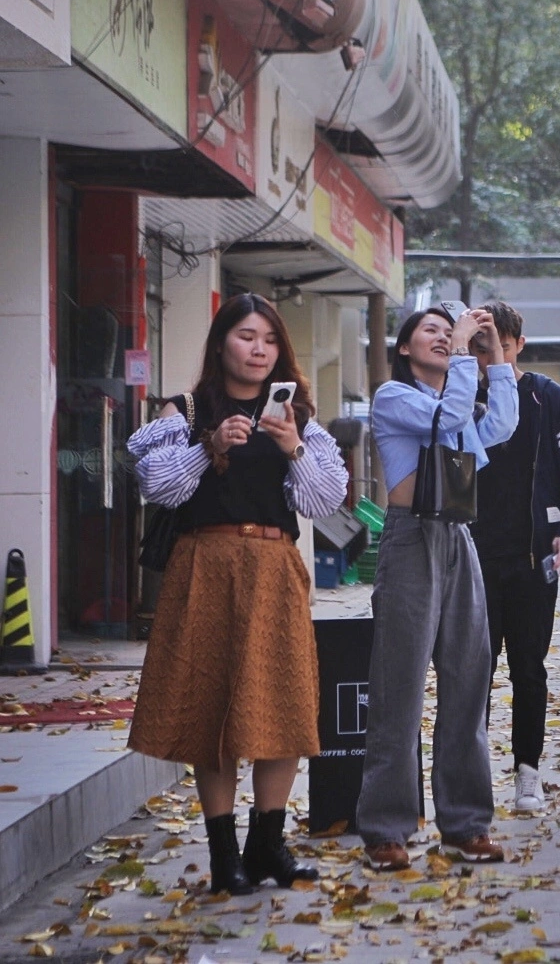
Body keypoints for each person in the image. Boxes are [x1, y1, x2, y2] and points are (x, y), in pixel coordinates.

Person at [127, 294, 349, 895]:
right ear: (221, 341)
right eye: (247, 336)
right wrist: (209, 446)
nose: (259, 349)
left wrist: (291, 446)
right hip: (205, 566)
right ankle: (224, 855)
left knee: (285, 706)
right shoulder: (188, 408)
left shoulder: (297, 413)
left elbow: (324, 502)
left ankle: (267, 846)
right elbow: (158, 486)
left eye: (270, 340)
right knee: (212, 709)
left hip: (275, 567)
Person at [358, 305, 516, 872]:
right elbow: (446, 422)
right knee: (399, 685)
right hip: (410, 539)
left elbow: (499, 426)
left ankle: (466, 825)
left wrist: (493, 355)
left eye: (451, 333)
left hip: (457, 535)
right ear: (405, 347)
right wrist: (467, 362)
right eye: (433, 330)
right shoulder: (393, 397)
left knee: (469, 679)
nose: (446, 337)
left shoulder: (453, 401)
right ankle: (385, 829)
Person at [469, 302, 560, 810]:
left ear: (518, 344)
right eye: (476, 346)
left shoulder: (546, 397)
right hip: (472, 559)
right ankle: (468, 781)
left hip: (532, 557)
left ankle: (527, 774)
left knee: (529, 668)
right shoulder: (460, 399)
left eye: (495, 344)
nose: (485, 356)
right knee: (473, 671)